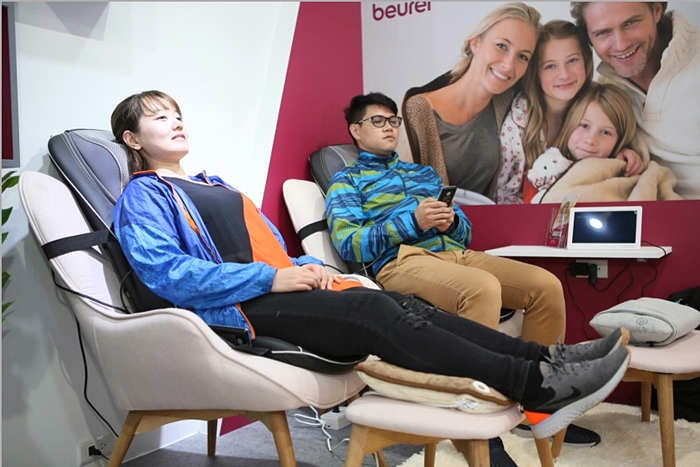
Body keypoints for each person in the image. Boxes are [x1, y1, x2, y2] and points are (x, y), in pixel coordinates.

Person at [110, 90, 630, 455]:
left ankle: (547, 361)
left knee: (398, 305)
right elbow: (165, 273)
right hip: (240, 307)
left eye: (177, 113)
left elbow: (275, 251)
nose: (175, 121)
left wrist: (313, 270)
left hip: (278, 288)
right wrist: (270, 280)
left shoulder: (217, 185)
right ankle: (533, 385)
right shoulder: (144, 193)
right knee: (372, 307)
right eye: (159, 117)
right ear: (133, 139)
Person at [325, 92, 607, 454]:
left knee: (545, 285)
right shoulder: (347, 181)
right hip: (403, 261)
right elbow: (350, 244)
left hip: (456, 254)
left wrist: (451, 223)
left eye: (393, 120)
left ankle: (540, 406)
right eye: (377, 121)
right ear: (356, 130)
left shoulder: (423, 174)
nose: (389, 127)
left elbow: (466, 233)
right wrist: (412, 222)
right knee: (482, 289)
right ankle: (476, 427)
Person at [401, 2, 540, 202]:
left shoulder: (512, 106)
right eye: (501, 46)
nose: (509, 65)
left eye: (523, 56)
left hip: (489, 220)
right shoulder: (417, 111)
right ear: (475, 43)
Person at [497, 19, 644, 204]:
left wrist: (622, 151)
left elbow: (611, 131)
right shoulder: (519, 123)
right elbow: (503, 195)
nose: (564, 74)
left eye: (572, 60)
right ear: (536, 73)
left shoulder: (595, 101)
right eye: (550, 66)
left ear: (586, 61)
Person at [571, 1, 700, 199]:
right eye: (603, 32)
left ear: (656, 10)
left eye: (630, 23)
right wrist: (618, 151)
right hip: (656, 208)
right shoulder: (605, 92)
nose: (621, 45)